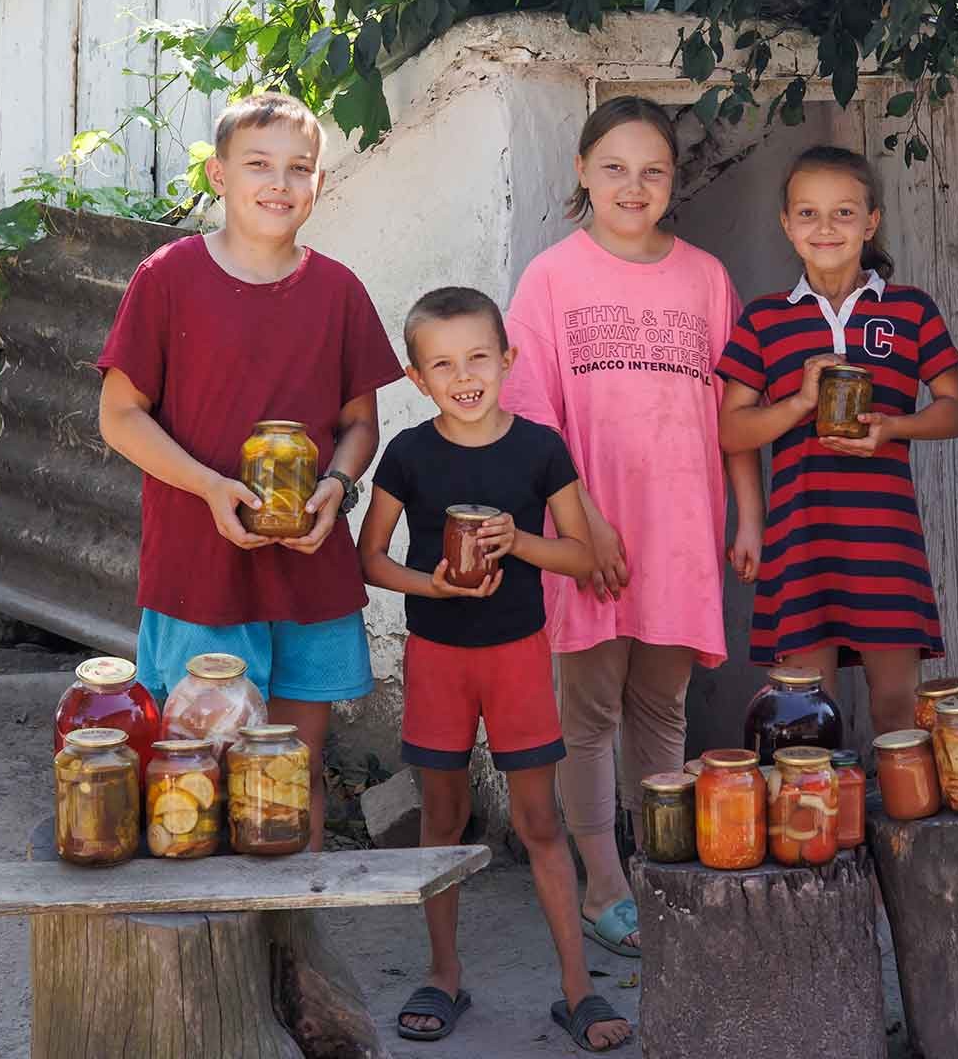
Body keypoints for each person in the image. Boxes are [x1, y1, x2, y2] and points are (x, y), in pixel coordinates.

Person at [97, 92, 403, 851]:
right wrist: (208, 486)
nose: (280, 182)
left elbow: (359, 423)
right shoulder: (167, 276)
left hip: (307, 562)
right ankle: (206, 956)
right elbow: (119, 414)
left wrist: (337, 487)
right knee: (193, 776)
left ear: (320, 185)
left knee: (290, 776)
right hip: (201, 563)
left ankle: (296, 947)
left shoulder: (337, 290)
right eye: (259, 164)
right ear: (218, 175)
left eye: (299, 168)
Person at [501, 95, 762, 960]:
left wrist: (743, 515)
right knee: (589, 714)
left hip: (682, 531)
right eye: (613, 167)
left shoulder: (705, 279)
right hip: (587, 532)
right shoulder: (550, 279)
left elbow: (734, 415)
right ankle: (604, 886)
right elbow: (531, 422)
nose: (633, 185)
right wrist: (587, 529)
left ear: (673, 182)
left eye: (653, 170)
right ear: (581, 171)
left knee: (661, 706)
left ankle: (661, 866)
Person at [359, 287, 630, 1052]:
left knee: (540, 823)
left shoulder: (539, 448)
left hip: (516, 655)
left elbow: (582, 555)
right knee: (441, 820)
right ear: (418, 378)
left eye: (479, 355)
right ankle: (444, 974)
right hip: (437, 655)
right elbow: (370, 559)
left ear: (508, 360)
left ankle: (577, 989)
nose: (464, 374)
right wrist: (432, 584)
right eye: (442, 363)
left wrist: (521, 542)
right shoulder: (407, 454)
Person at [716, 146, 958, 733]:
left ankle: (898, 825)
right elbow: (732, 429)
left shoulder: (909, 310)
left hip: (885, 533)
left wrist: (894, 427)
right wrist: (800, 404)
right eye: (807, 214)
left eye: (843, 213)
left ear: (871, 221)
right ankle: (826, 826)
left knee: (897, 704)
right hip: (799, 532)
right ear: (786, 223)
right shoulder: (764, 319)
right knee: (808, 710)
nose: (825, 228)